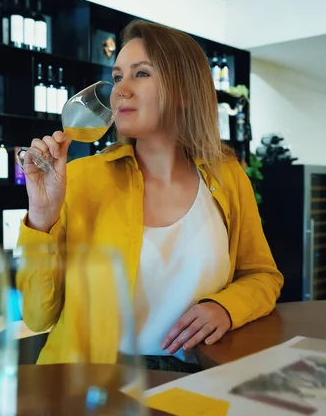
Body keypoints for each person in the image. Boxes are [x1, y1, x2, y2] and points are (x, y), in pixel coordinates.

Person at [18, 19, 283, 371]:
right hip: (93, 389)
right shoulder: (80, 179)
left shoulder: (228, 177)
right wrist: (41, 215)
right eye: (116, 77)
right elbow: (37, 316)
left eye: (141, 74)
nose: (119, 90)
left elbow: (263, 275)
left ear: (183, 91)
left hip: (198, 382)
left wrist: (226, 308)